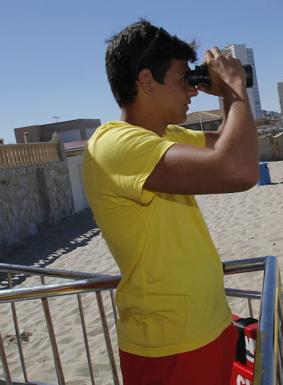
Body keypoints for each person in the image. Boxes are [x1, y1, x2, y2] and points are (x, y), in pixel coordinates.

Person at [83, 20, 258, 385]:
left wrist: (227, 95)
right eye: (184, 80)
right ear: (147, 81)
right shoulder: (113, 145)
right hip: (168, 345)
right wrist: (234, 88)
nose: (192, 91)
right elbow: (239, 170)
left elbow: (232, 145)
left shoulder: (161, 137)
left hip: (206, 327)